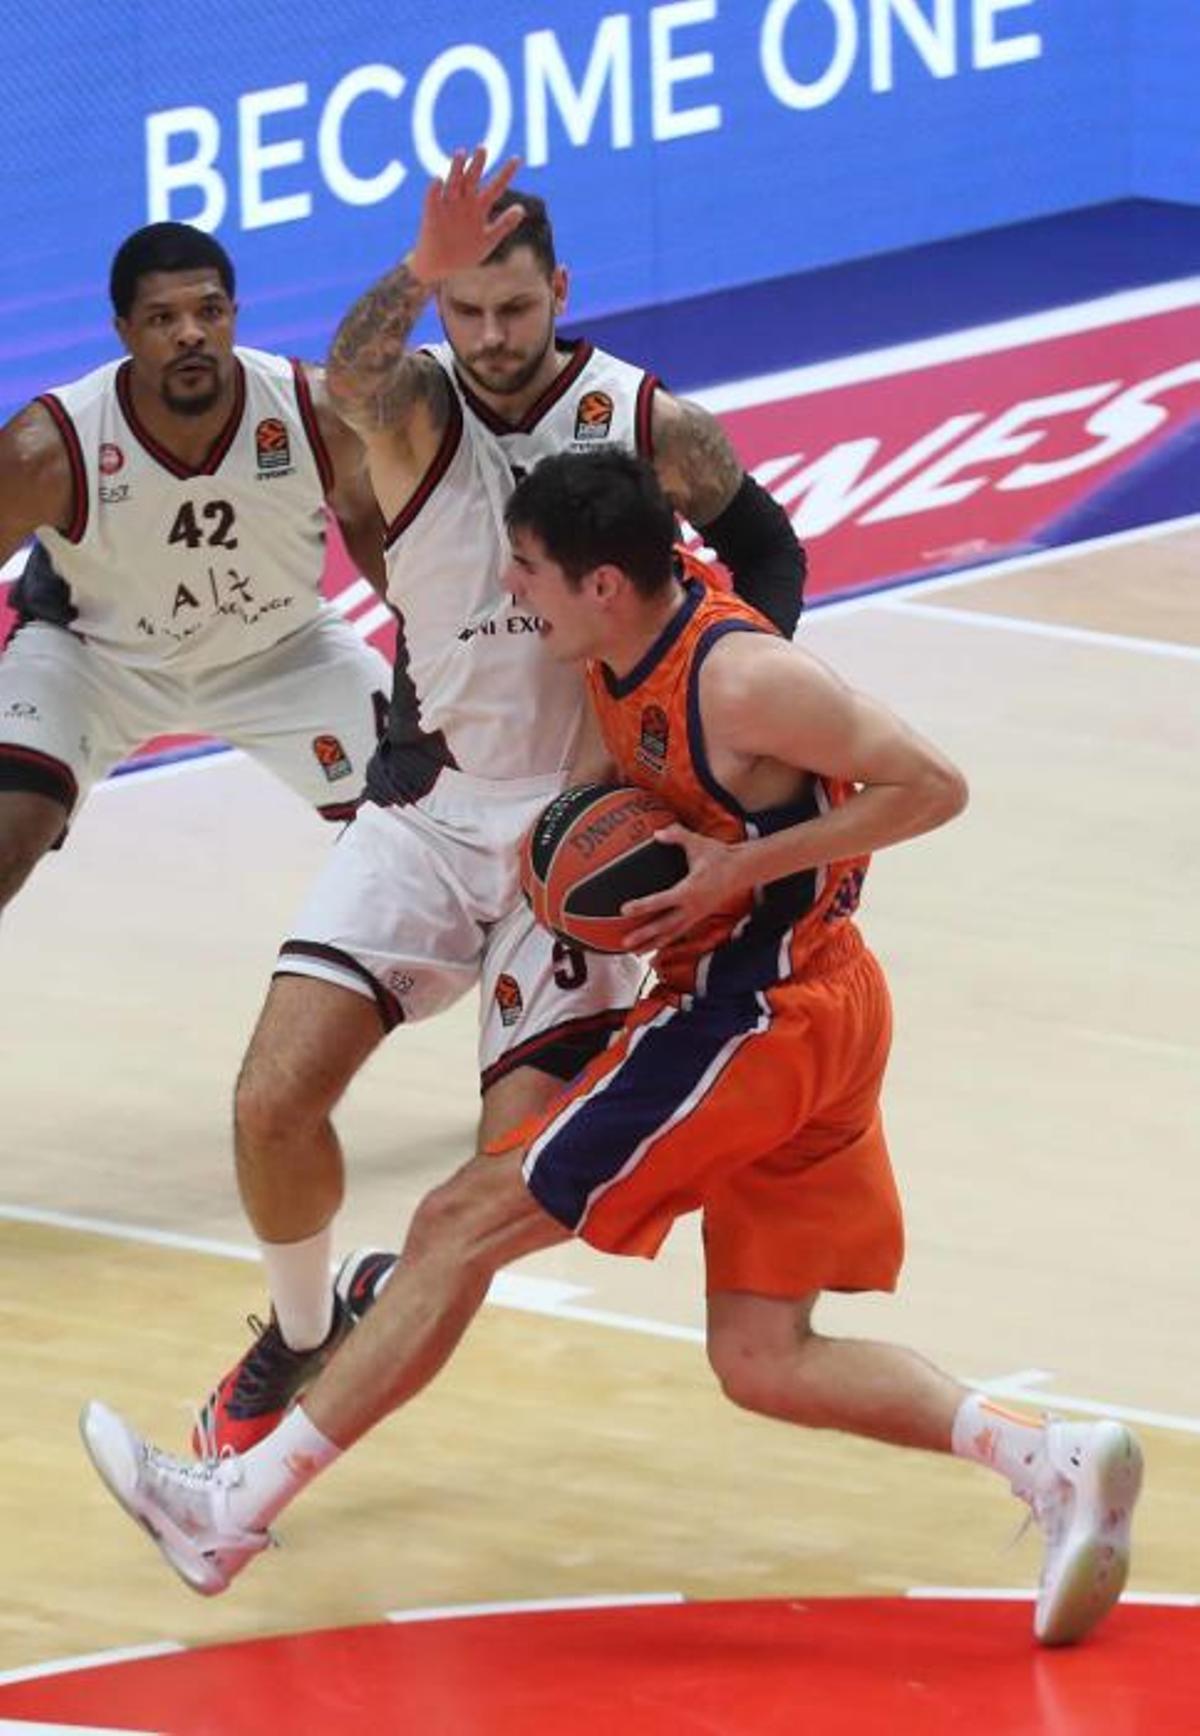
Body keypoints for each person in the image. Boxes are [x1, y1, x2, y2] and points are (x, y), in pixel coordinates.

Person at [81, 449, 1142, 1648]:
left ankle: (228, 1509)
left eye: (528, 568)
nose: (511, 585)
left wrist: (739, 866)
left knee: (458, 1220)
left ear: (601, 584)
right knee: (763, 1354)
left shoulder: (744, 679)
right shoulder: (615, 646)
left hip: (751, 1014)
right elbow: (609, 782)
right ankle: (1051, 1459)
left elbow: (934, 785)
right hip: (817, 1010)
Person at [193, 148, 808, 1456]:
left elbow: (770, 548)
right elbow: (349, 377)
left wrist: (715, 732)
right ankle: (303, 1329)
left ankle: (382, 1306)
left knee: (508, 1182)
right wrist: (413, 268)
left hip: (584, 830)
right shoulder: (414, 406)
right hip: (429, 812)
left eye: (514, 308)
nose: (489, 335)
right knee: (268, 1101)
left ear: (560, 292)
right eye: (464, 308)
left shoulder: (641, 420)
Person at [0, 222, 392, 913]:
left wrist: (445, 650)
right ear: (123, 331)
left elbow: (370, 524)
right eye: (162, 319)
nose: (190, 334)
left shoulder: (314, 412)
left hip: (286, 652)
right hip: (95, 663)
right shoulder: (47, 448)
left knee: (435, 828)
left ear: (234, 315)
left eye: (208, 311)